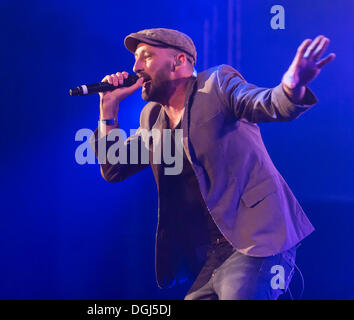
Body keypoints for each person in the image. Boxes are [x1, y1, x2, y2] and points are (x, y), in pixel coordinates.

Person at [89, 28, 335, 300]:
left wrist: (290, 88)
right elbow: (114, 167)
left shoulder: (216, 84)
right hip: (212, 256)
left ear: (179, 61)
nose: (135, 68)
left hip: (257, 239)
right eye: (135, 60)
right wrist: (108, 107)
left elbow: (263, 103)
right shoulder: (152, 118)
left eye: (146, 57)